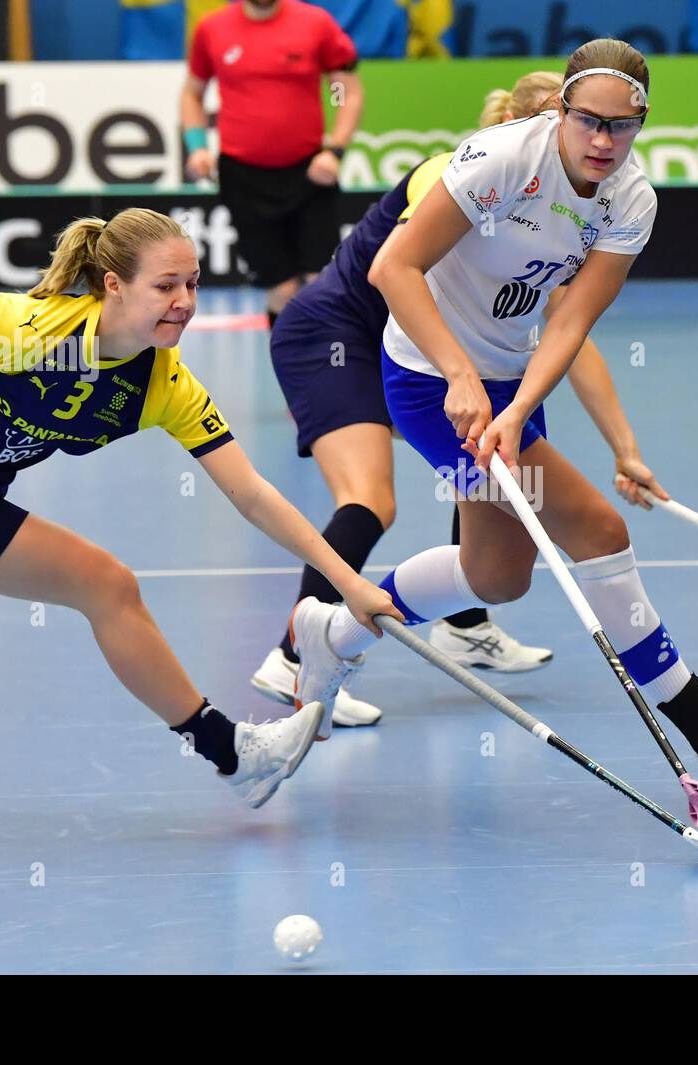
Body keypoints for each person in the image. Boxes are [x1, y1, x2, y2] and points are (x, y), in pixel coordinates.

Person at [284, 39, 698, 783]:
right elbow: (391, 266)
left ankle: (331, 632)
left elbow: (568, 324)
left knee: (497, 573)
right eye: (588, 120)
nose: (603, 140)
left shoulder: (632, 200)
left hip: (506, 378)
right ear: (562, 109)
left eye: (622, 126)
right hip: (428, 377)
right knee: (598, 529)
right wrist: (460, 376)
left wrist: (521, 404)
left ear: (642, 121)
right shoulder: (498, 161)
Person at [0, 208, 400, 807]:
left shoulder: (162, 385)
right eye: (165, 286)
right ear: (114, 284)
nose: (183, 301)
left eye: (192, 283)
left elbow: (254, 495)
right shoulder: (28, 328)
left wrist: (348, 583)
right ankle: (233, 753)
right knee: (107, 586)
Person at [252, 74, 583, 726]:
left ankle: (461, 623)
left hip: (395, 343)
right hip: (333, 336)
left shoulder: (543, 206)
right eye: (556, 125)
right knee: (371, 498)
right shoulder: (457, 175)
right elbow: (407, 277)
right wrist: (461, 374)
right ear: (517, 126)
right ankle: (293, 656)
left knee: (479, 453)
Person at [181, 0, 362, 328]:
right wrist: (197, 147)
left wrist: (334, 149)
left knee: (321, 280)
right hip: (243, 177)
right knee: (281, 288)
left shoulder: (315, 23)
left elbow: (343, 89)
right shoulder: (213, 29)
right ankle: (291, 371)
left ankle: (332, 366)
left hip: (309, 175)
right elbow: (193, 93)